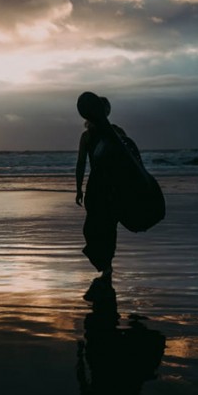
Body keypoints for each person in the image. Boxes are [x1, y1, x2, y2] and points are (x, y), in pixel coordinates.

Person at [75, 93, 129, 297]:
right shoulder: (87, 136)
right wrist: (78, 187)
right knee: (91, 229)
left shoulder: (117, 132)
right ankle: (104, 264)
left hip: (112, 187)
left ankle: (107, 268)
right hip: (95, 187)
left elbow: (129, 160)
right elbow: (81, 162)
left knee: (109, 228)